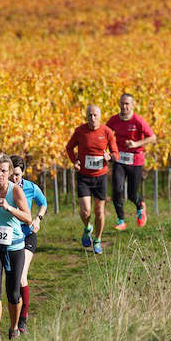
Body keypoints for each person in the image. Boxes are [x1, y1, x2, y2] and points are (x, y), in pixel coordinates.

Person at [0, 154, 32, 341]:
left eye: (3, 171)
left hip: (14, 246)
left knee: (13, 292)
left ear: (10, 172)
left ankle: (13, 328)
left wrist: (9, 208)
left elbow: (28, 218)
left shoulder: (15, 191)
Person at [65, 105, 118, 255]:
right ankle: (87, 227)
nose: (92, 118)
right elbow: (69, 147)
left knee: (99, 212)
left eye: (95, 115)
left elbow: (116, 153)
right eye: (90, 115)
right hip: (84, 176)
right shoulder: (80, 131)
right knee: (86, 211)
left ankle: (98, 240)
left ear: (100, 116)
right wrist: (74, 161)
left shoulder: (107, 132)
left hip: (100, 177)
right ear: (86, 116)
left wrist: (110, 157)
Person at [8, 155, 47, 334]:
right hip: (7, 236)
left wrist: (38, 218)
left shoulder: (31, 187)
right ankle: (13, 317)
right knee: (10, 279)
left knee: (21, 276)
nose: (13, 178)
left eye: (17, 174)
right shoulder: (3, 188)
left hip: (27, 235)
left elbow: (43, 203)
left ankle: (23, 319)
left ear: (22, 173)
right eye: (11, 174)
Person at [106, 93, 156, 230]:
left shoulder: (138, 120)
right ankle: (121, 220)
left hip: (135, 160)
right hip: (119, 160)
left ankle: (140, 206)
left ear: (133, 105)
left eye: (127, 104)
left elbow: (152, 137)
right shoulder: (114, 120)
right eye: (122, 103)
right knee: (116, 189)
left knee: (132, 193)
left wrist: (136, 144)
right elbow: (104, 134)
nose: (124, 106)